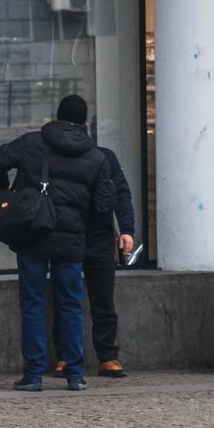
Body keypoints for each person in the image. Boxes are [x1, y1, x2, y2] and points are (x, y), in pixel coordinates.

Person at [0, 94, 114, 391]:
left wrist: (2, 188)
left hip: (32, 235)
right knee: (71, 304)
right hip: (71, 241)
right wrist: (84, 231)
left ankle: (32, 374)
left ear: (56, 116)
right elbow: (104, 206)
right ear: (84, 122)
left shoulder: (31, 142)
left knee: (32, 303)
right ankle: (75, 374)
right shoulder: (96, 157)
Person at [53, 145, 135, 378]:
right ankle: (90, 357)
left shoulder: (103, 156)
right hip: (72, 236)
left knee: (86, 300)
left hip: (88, 237)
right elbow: (121, 194)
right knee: (85, 301)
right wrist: (127, 228)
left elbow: (120, 194)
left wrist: (127, 229)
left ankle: (97, 356)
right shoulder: (95, 155)